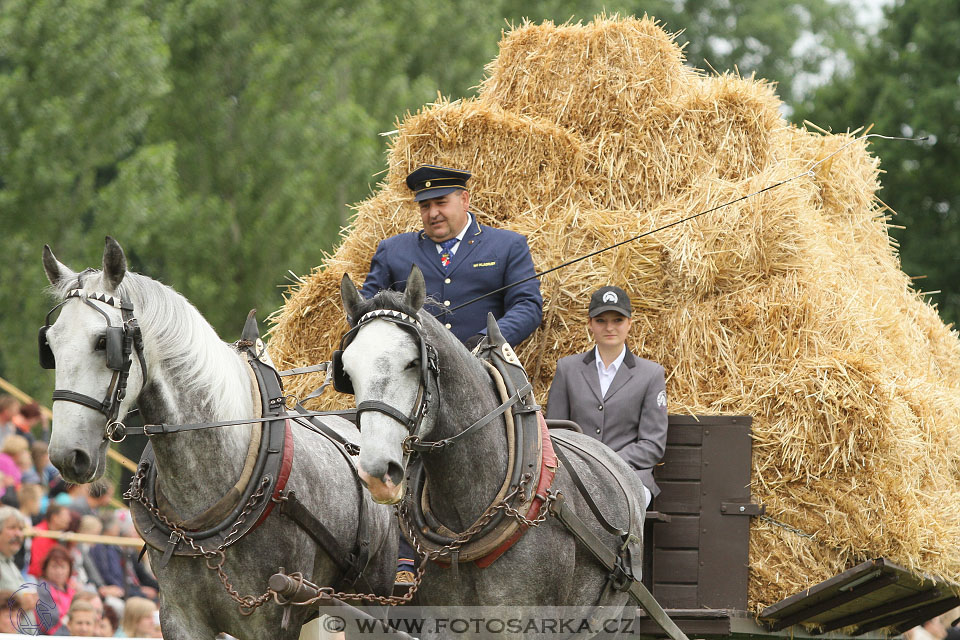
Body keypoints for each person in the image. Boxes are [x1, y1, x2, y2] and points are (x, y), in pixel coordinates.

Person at [360, 164, 543, 348]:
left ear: (464, 200)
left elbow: (527, 306)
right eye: (425, 206)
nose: (433, 214)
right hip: (413, 371)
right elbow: (364, 310)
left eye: (441, 202)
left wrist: (487, 340)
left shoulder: (507, 245)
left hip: (487, 366)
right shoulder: (392, 251)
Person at [545, 285, 668, 508]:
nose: (609, 327)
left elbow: (652, 444)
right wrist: (580, 466)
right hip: (574, 475)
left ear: (629, 323)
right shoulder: (567, 369)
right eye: (601, 320)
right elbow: (555, 433)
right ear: (590, 323)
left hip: (629, 476)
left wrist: (607, 462)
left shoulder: (651, 374)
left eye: (618, 320)